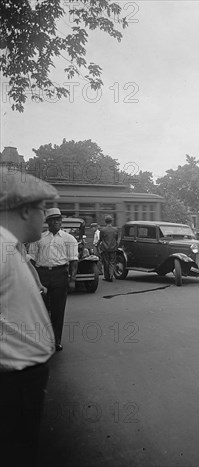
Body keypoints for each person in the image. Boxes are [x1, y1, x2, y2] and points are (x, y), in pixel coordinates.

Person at [0, 168, 59, 465]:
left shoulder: (13, 248)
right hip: (13, 381)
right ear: (25, 210)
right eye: (41, 209)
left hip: (22, 378)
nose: (45, 216)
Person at [29, 208, 78, 351]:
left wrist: (72, 280)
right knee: (40, 309)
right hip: (42, 275)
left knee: (58, 309)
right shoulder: (39, 238)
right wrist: (35, 279)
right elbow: (31, 259)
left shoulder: (69, 239)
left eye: (59, 219)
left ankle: (56, 340)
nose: (57, 222)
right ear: (48, 222)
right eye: (54, 219)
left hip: (60, 275)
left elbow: (74, 261)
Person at [99, 215, 120, 282]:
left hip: (105, 248)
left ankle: (107, 277)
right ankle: (111, 275)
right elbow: (117, 239)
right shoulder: (115, 229)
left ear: (105, 221)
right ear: (111, 221)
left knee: (106, 262)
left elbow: (101, 239)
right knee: (112, 262)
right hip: (113, 248)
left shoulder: (102, 230)